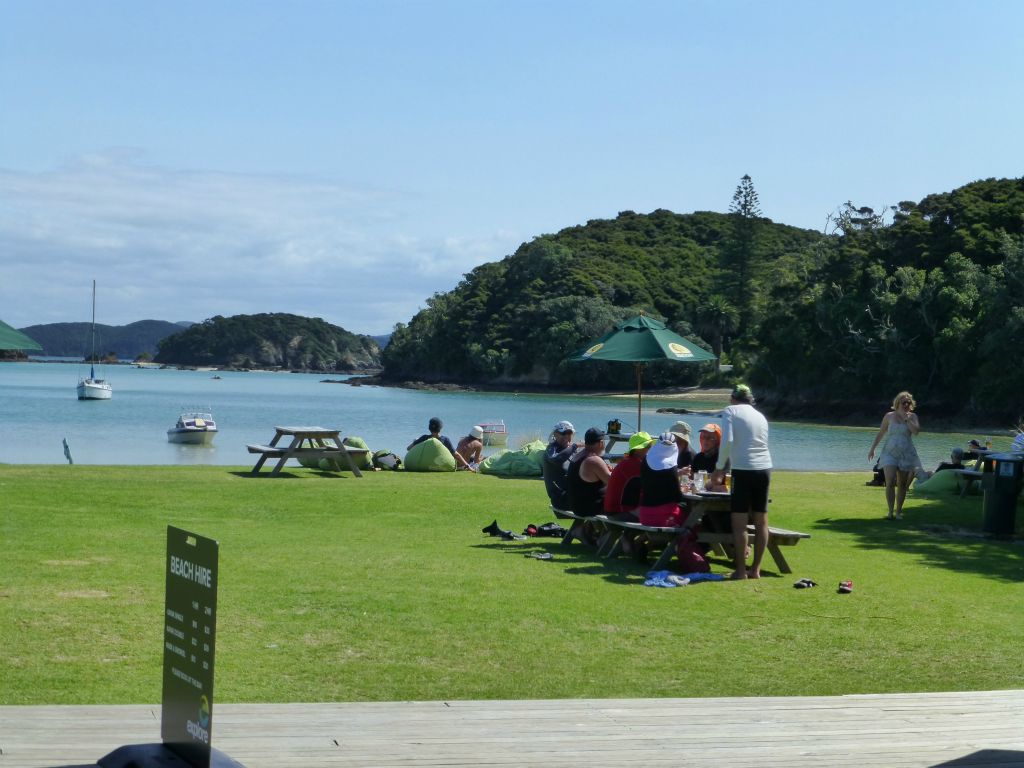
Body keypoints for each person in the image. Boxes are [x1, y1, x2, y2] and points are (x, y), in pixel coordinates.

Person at [711, 384, 772, 580]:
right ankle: (755, 570)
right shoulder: (760, 416)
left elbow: (727, 440)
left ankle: (740, 571)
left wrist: (719, 467)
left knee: (739, 523)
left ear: (732, 399)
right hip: (764, 469)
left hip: (743, 471)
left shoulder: (730, 411)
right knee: (761, 520)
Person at [867, 391, 921, 521]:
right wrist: (872, 449)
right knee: (890, 481)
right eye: (904, 402)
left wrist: (906, 419)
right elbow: (881, 432)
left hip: (905, 453)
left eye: (908, 402)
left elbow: (916, 432)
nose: (906, 404)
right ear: (898, 403)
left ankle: (898, 512)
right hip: (889, 452)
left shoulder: (912, 417)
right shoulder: (889, 416)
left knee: (902, 484)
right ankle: (890, 512)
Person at [637, 433, 683, 527]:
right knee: (694, 522)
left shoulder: (646, 460)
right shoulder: (671, 465)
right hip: (666, 517)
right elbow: (678, 497)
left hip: (644, 515)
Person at [604, 431, 654, 517]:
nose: (651, 449)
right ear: (637, 450)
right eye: (648, 446)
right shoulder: (636, 464)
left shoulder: (628, 461)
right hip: (620, 511)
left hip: (613, 509)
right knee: (661, 513)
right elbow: (654, 484)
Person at [567, 427, 612, 518]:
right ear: (601, 443)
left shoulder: (579, 455)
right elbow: (613, 483)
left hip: (578, 506)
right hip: (590, 508)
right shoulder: (593, 459)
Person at [408, 417, 474, 470]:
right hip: (440, 465)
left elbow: (408, 448)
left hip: (422, 465)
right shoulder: (445, 440)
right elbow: (456, 455)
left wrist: (416, 442)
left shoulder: (424, 438)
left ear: (429, 428)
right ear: (440, 428)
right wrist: (468, 466)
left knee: (416, 439)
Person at [542, 420, 580, 509]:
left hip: (572, 495)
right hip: (560, 499)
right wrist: (574, 446)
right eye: (563, 433)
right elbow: (556, 459)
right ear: (555, 434)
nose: (567, 436)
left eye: (569, 433)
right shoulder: (551, 449)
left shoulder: (570, 450)